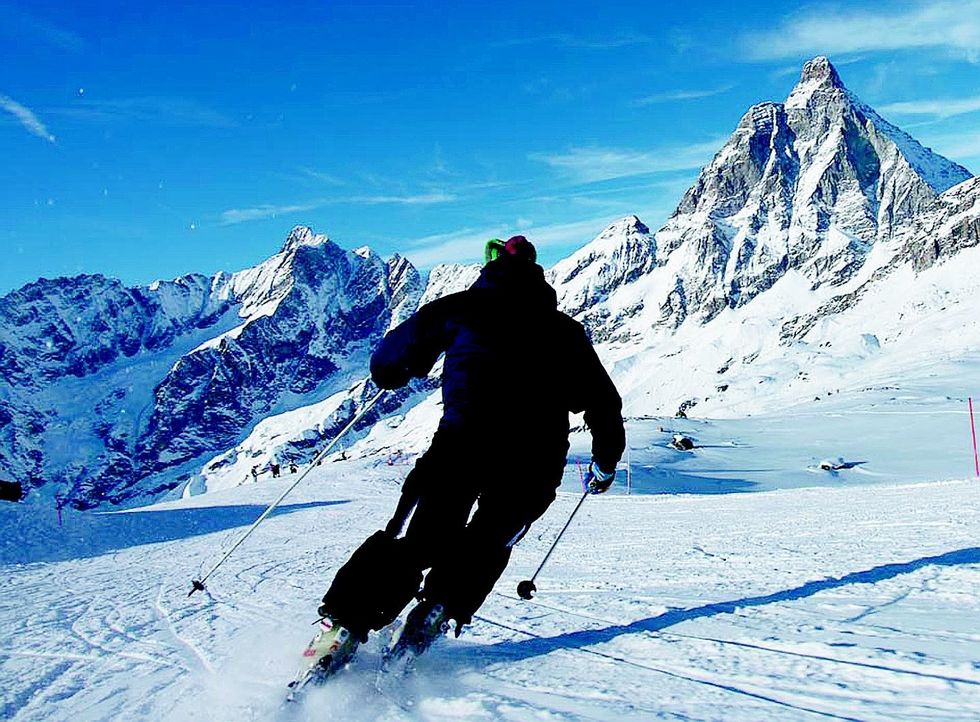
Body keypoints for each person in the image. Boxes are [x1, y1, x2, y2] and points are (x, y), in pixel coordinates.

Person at [309, 235, 625, 674]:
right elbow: (603, 403)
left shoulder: (458, 308)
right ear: (537, 273)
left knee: (417, 539)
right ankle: (438, 608)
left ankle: (346, 624)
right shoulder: (565, 331)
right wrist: (606, 461)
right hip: (536, 460)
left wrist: (394, 374)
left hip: (461, 445)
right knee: (488, 541)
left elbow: (387, 360)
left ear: (488, 267)